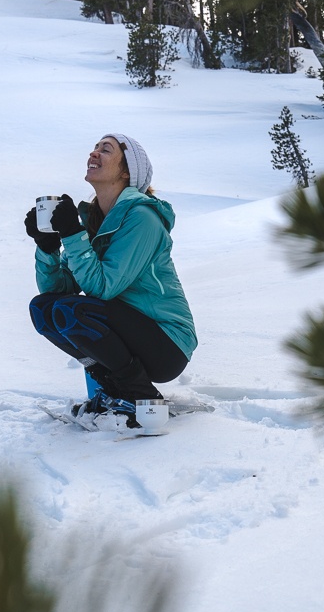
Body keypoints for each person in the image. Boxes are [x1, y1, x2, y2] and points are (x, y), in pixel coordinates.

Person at [24, 134, 197, 426]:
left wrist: (71, 234)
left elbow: (103, 287)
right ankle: (113, 388)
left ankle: (141, 396)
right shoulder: (95, 222)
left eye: (106, 150)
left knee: (75, 311)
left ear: (127, 171)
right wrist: (48, 247)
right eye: (94, 147)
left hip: (167, 343)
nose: (94, 153)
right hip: (127, 330)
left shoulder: (143, 218)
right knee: (43, 309)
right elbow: (57, 291)